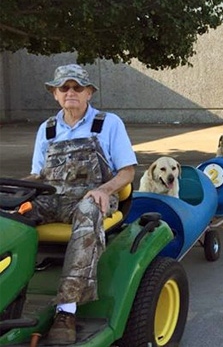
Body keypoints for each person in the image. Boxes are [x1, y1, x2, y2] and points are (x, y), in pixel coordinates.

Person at [24, 64, 137, 345]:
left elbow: (128, 171)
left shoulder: (108, 123)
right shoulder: (47, 129)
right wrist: (17, 192)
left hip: (91, 196)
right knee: (11, 214)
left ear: (89, 92)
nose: (70, 92)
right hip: (53, 198)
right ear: (55, 94)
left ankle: (67, 311)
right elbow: (37, 175)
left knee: (88, 211)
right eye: (64, 88)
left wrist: (104, 190)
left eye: (77, 87)